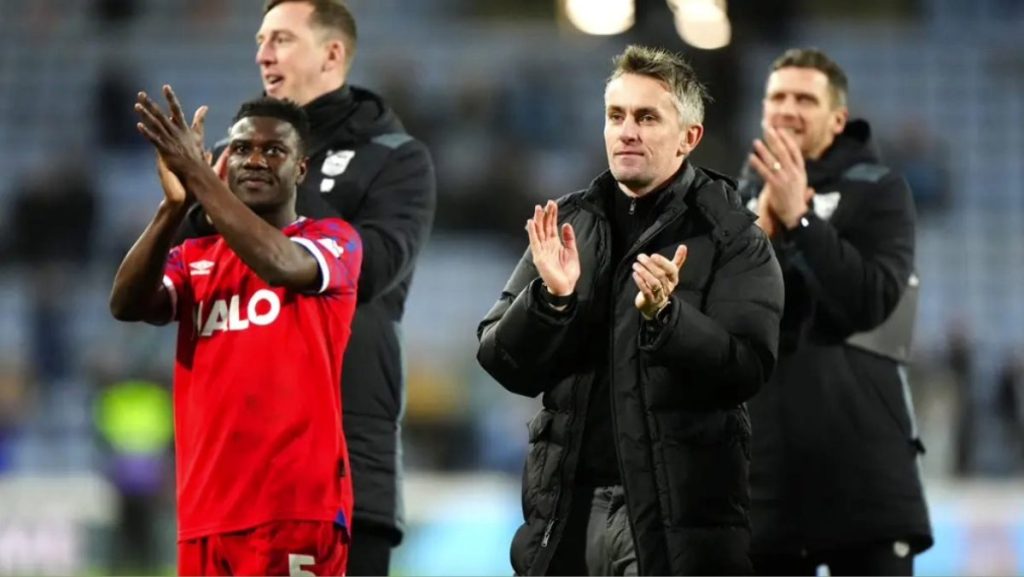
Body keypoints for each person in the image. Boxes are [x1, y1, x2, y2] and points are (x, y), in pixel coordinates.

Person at [477, 45, 784, 576]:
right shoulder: (568, 223)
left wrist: (670, 320)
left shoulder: (733, 235)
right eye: (616, 116)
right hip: (566, 516)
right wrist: (550, 302)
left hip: (674, 524)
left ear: (690, 137)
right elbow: (501, 359)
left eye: (647, 117)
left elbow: (747, 367)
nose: (627, 131)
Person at [177, 1, 436, 573]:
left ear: (332, 53)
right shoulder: (226, 163)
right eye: (260, 39)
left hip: (343, 448)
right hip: (232, 473)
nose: (263, 53)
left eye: (282, 39)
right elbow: (174, 276)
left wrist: (231, 197)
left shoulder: (393, 157)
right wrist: (202, 196)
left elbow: (371, 270)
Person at [111, 89, 361, 576]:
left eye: (274, 150)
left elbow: (279, 264)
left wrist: (200, 177)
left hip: (294, 509)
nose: (255, 160)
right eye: (243, 148)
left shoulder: (332, 240)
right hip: (206, 512)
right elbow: (126, 304)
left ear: (301, 170)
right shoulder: (194, 258)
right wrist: (173, 208)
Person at [737, 48, 933, 575]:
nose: (788, 109)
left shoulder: (881, 190)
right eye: (777, 97)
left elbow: (870, 300)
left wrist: (801, 220)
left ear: (837, 118)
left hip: (865, 477)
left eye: (805, 98)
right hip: (767, 485)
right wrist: (763, 232)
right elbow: (732, 319)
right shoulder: (737, 203)